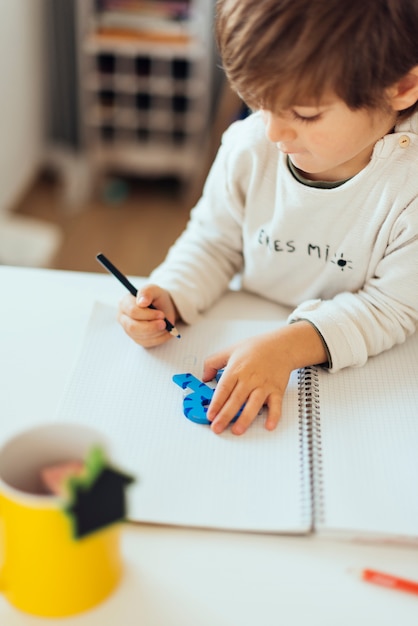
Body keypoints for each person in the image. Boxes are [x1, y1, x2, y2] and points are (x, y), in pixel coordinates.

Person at [118, 0, 418, 436]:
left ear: (403, 87)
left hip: (367, 381)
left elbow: (392, 308)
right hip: (250, 315)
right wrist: (171, 293)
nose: (274, 132)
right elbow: (214, 241)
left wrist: (288, 348)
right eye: (257, 102)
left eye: (305, 114)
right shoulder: (250, 146)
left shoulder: (408, 186)